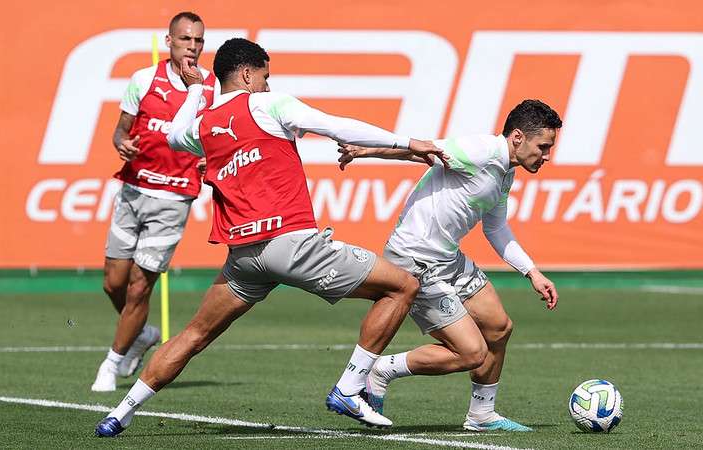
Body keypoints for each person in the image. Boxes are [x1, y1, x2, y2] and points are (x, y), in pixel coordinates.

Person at [94, 37, 447, 437]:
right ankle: (350, 387)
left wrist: (194, 90)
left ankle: (120, 412)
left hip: (244, 258)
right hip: (291, 243)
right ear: (247, 73)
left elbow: (174, 136)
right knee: (403, 286)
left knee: (194, 335)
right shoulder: (268, 103)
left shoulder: (204, 125)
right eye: (264, 76)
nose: (267, 83)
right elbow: (334, 125)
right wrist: (408, 142)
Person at [335, 99, 561, 432]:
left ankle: (482, 416)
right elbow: (422, 151)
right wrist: (363, 151)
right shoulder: (482, 149)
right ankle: (381, 370)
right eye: (543, 146)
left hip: (447, 259)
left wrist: (532, 272)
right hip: (415, 260)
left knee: (499, 328)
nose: (546, 155)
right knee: (472, 353)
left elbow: (495, 227)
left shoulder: (505, 172)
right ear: (516, 137)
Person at [91, 12, 219, 392]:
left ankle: (111, 365)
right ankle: (143, 334)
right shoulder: (143, 80)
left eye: (198, 40)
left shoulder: (212, 86)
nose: (192, 47)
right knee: (113, 283)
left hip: (174, 197)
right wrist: (122, 144)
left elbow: (220, 135)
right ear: (169, 41)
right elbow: (120, 131)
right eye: (185, 39)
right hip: (132, 191)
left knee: (138, 287)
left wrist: (208, 158)